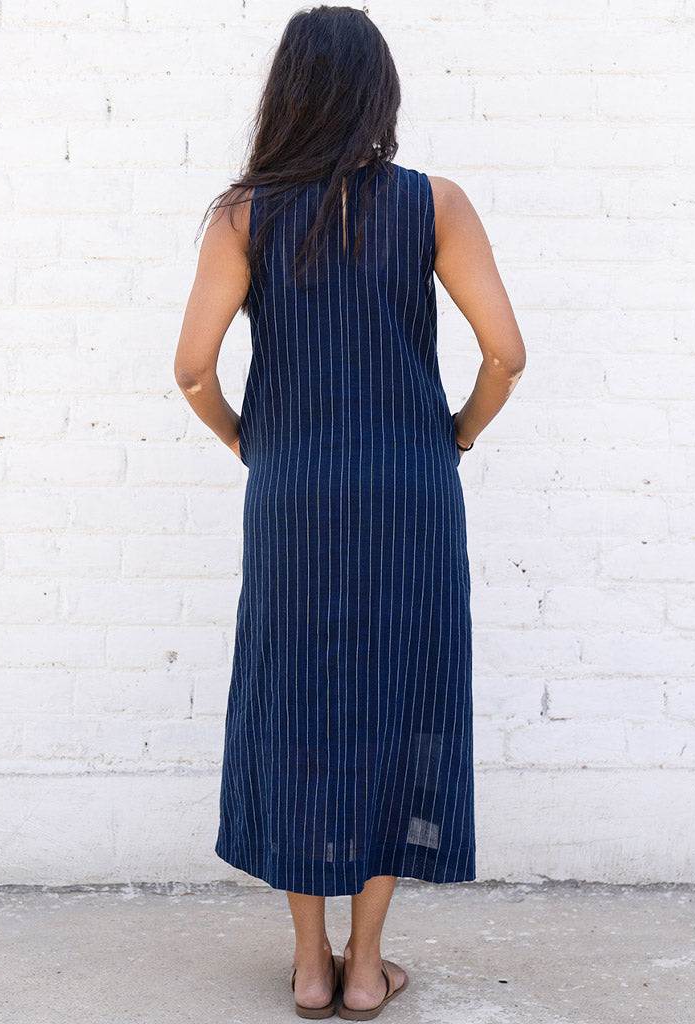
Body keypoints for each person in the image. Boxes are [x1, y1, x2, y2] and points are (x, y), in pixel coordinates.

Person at [174, 5, 526, 1019]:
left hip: (294, 493)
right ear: (381, 94)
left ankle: (308, 962)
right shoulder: (434, 204)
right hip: (410, 489)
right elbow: (506, 354)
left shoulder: (244, 216)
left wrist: (248, 441)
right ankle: (368, 967)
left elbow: (192, 369)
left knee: (298, 703)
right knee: (400, 700)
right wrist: (457, 434)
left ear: (286, 95)